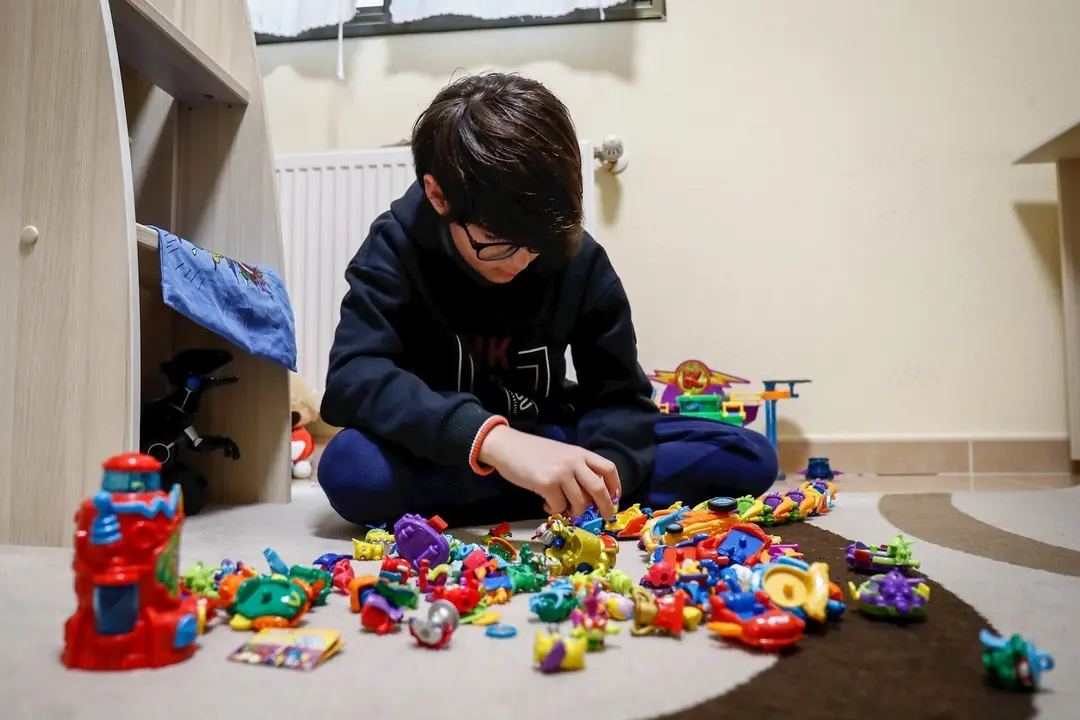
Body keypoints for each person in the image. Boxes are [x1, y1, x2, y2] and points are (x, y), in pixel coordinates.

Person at [318, 72, 778, 528]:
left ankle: (551, 489)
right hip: (445, 446)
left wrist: (602, 473)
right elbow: (353, 376)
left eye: (535, 243)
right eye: (496, 241)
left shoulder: (574, 254)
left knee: (746, 457)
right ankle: (529, 486)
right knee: (354, 470)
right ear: (438, 195)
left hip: (551, 435)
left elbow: (619, 398)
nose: (520, 261)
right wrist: (494, 442)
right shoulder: (396, 243)